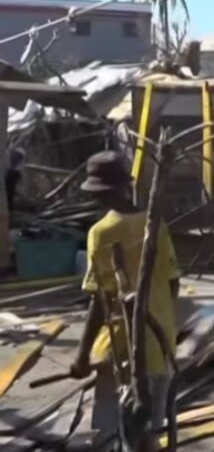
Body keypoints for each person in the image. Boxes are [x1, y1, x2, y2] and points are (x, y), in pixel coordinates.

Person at [70, 151, 180, 450]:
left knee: (112, 433)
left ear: (99, 193)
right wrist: (161, 323)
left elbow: (100, 301)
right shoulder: (156, 225)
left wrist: (82, 355)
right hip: (159, 346)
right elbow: (173, 283)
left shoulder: (100, 233)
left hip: (120, 353)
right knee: (149, 434)